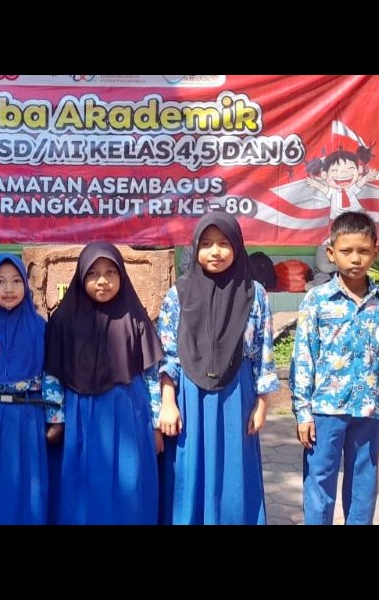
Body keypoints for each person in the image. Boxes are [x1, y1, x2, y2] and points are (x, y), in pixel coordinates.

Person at [157, 211, 280, 525]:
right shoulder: (178, 294)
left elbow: (263, 350)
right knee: (189, 470)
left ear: (237, 246)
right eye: (207, 244)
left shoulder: (254, 293)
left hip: (237, 394)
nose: (215, 251)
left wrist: (262, 404)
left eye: (224, 243)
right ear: (195, 247)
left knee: (234, 472)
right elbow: (167, 354)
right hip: (189, 397)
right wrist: (168, 403)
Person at [290, 210, 379, 525]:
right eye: (346, 251)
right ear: (331, 253)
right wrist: (303, 412)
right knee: (319, 481)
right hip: (325, 410)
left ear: (375, 254)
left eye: (363, 251)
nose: (355, 258)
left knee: (363, 486)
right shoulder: (317, 301)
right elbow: (303, 357)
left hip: (370, 410)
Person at [45, 241, 163, 525]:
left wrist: (157, 424)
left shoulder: (134, 317)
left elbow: (151, 374)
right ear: (80, 276)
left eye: (111, 272)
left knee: (129, 484)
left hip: (128, 415)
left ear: (122, 275)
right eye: (93, 273)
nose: (102, 281)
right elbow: (51, 374)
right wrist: (56, 419)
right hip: (80, 417)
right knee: (84, 488)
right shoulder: (62, 321)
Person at [0, 253, 63, 525]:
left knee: (29, 490)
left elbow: (51, 373)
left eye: (16, 281)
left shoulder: (39, 327)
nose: (8, 289)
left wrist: (55, 417)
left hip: (28, 418)